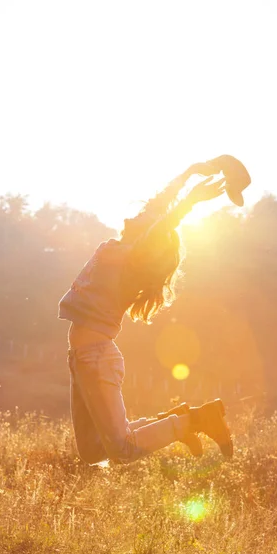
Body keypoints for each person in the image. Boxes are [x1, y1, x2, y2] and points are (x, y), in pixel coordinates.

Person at [58, 161, 239, 465]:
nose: (135, 215)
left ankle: (197, 421)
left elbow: (163, 224)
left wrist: (190, 202)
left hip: (96, 356)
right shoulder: (123, 245)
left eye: (144, 219)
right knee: (93, 451)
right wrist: (188, 173)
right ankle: (178, 420)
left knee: (122, 449)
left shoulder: (134, 258)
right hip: (81, 356)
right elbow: (159, 205)